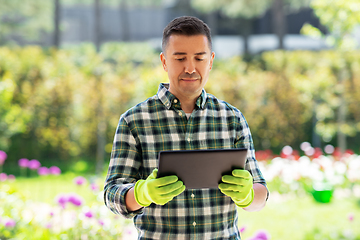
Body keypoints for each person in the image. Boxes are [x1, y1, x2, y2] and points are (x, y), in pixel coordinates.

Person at [104, 16, 269, 239]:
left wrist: (248, 195)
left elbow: (261, 193)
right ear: (164, 61)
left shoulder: (232, 119)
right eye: (180, 58)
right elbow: (112, 194)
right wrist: (142, 193)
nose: (190, 68)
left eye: (199, 58)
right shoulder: (134, 121)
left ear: (210, 61)